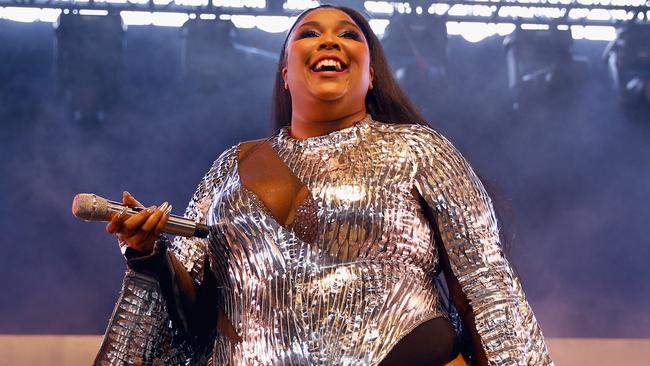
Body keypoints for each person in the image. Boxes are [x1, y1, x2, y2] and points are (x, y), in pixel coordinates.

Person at [95, 5, 553, 366]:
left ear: (371, 74)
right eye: (310, 33)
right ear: (285, 73)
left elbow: (485, 281)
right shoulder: (235, 167)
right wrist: (148, 255)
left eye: (349, 34)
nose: (330, 39)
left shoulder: (420, 150)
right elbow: (191, 316)